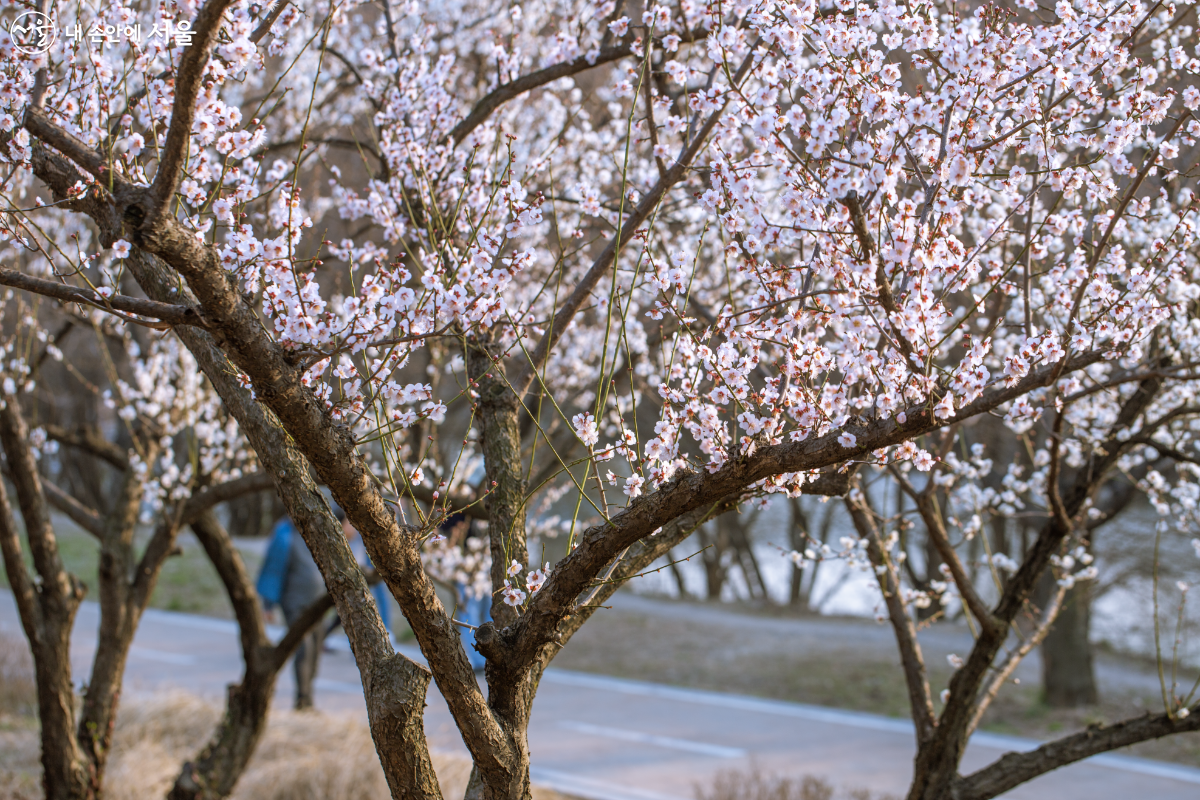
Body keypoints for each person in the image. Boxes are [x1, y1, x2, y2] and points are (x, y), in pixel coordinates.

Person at [256, 514, 325, 710]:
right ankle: (302, 700)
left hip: (317, 605)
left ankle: (308, 696)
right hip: (294, 603)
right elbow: (273, 569)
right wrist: (268, 604)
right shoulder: (284, 534)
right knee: (305, 648)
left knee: (316, 647)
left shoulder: (316, 530)